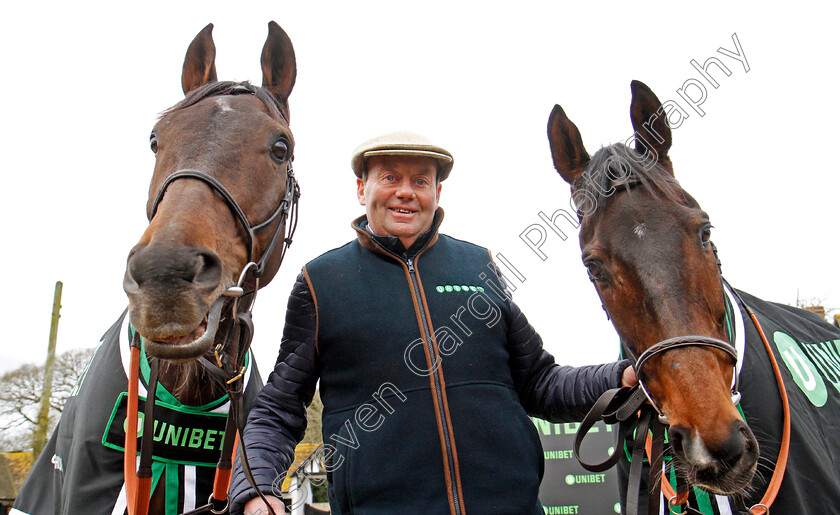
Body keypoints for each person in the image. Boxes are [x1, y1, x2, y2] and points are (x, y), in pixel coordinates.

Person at [229, 131, 635, 515]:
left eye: (421, 181)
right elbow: (279, 406)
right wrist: (256, 487)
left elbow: (541, 383)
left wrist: (624, 378)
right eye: (390, 177)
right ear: (361, 189)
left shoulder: (481, 266)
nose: (406, 191)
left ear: (437, 194)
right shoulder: (319, 282)